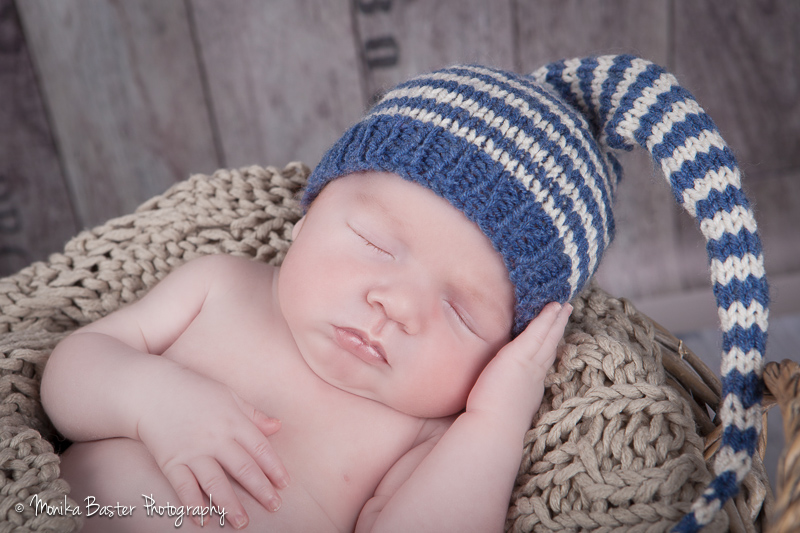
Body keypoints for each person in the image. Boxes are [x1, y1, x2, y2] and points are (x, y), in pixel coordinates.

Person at [41, 55, 768, 533]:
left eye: (461, 310)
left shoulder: (422, 432)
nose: (398, 304)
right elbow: (70, 370)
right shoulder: (219, 285)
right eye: (375, 243)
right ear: (308, 213)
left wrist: (495, 417)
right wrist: (152, 399)